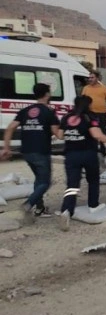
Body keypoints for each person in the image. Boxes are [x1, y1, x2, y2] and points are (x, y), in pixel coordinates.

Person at [58, 96, 106, 231]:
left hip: (71, 155)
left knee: (72, 185)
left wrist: (73, 135)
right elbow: (97, 135)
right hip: (88, 154)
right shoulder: (90, 117)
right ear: (88, 104)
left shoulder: (66, 117)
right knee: (93, 180)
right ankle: (93, 205)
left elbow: (59, 135)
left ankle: (66, 211)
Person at [1, 83, 61, 221]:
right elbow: (57, 134)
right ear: (47, 94)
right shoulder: (49, 112)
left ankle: (39, 209)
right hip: (41, 151)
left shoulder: (26, 111)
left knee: (39, 180)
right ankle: (29, 203)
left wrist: (6, 148)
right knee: (45, 182)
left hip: (27, 152)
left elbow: (10, 128)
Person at [81, 70, 106, 156]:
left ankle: (103, 150)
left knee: (102, 132)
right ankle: (91, 150)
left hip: (102, 114)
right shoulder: (86, 88)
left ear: (97, 78)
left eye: (92, 77)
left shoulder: (103, 88)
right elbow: (83, 100)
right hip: (90, 114)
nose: (90, 79)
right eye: (89, 77)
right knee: (90, 132)